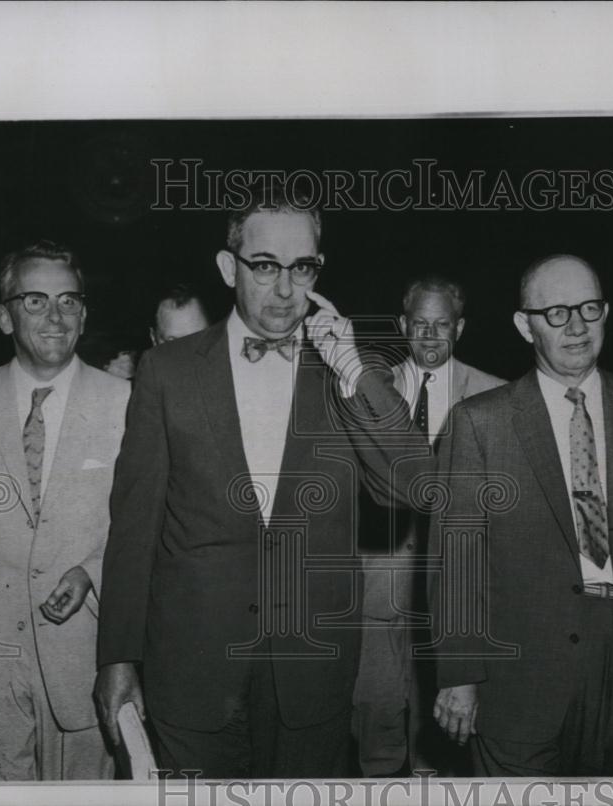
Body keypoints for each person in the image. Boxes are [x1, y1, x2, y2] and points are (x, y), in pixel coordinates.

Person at [94, 184, 416, 779]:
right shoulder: (167, 371)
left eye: (303, 268)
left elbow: (411, 487)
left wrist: (352, 372)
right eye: (265, 266)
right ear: (228, 266)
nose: (286, 288)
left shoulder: (350, 370)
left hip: (312, 671)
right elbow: (135, 527)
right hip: (191, 668)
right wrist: (117, 657)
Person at [430, 254, 613, 776]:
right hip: (516, 676)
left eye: (588, 308)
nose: (575, 326)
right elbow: (456, 561)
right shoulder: (479, 423)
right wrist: (458, 675)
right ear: (523, 325)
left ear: (605, 313)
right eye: (555, 312)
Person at [0, 240, 131, 780]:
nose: (55, 317)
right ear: (3, 316)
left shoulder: (126, 403)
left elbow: (146, 527)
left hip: (85, 663)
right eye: (35, 301)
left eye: (69, 301)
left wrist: (93, 572)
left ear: (84, 312)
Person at [354, 275, 504, 776]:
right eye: (420, 325)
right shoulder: (368, 394)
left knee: (442, 730)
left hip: (456, 589)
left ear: (459, 328)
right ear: (403, 326)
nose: (430, 336)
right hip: (380, 584)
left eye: (442, 325)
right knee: (374, 716)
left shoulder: (495, 395)